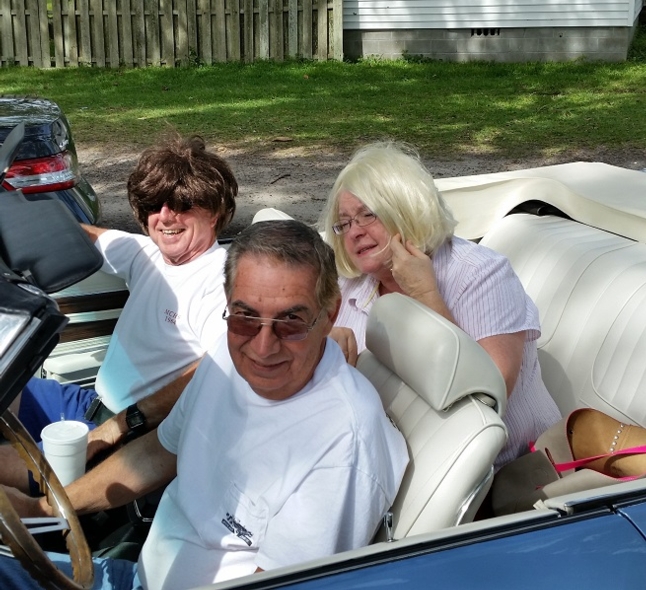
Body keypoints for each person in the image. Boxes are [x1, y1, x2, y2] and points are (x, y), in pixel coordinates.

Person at [0, 219, 409, 590]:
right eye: (245, 317)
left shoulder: (343, 444)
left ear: (330, 314)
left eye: (290, 322)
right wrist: (45, 509)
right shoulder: (225, 358)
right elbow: (158, 453)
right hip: (137, 576)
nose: (262, 347)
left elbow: (277, 584)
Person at [0, 134, 238, 492]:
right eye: (154, 205)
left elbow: (216, 369)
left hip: (128, 438)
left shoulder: (218, 281)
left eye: (183, 204)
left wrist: (123, 424)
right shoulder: (148, 254)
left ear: (216, 211)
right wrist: (13, 215)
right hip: (87, 406)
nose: (165, 216)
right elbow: (80, 236)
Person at [320, 141, 561, 469]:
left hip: (507, 472)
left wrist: (424, 294)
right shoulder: (348, 283)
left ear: (405, 208)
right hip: (399, 464)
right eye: (344, 223)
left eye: (367, 215)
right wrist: (323, 355)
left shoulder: (481, 274)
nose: (354, 233)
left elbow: (487, 398)